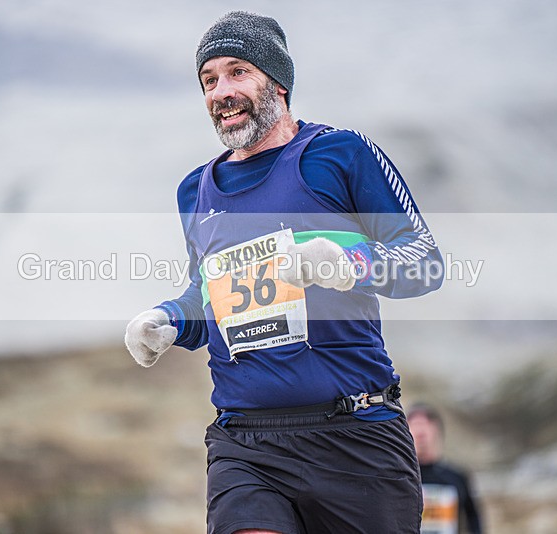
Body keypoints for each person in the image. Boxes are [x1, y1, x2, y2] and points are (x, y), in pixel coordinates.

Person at [125, 11, 443, 534]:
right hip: (246, 444)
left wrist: (348, 263)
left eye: (237, 72)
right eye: (208, 80)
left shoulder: (340, 155)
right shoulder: (194, 191)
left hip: (355, 436)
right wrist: (168, 321)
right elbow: (208, 298)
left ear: (277, 82)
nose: (220, 91)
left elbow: (423, 260)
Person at [408, 403, 483, 534]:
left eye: (425, 425)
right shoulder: (399, 479)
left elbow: (474, 519)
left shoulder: (457, 477)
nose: (420, 432)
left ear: (436, 430)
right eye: (414, 425)